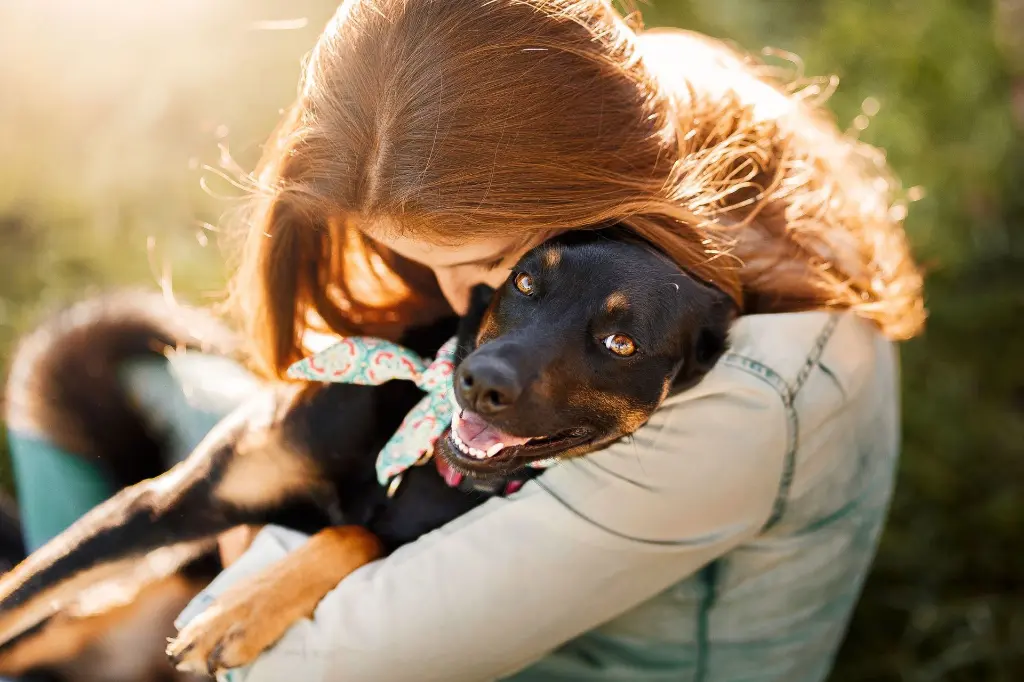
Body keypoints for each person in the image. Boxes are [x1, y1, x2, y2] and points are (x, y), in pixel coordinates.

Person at [9, 0, 927, 680]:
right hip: (412, 494)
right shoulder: (648, 112)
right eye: (408, 255)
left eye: (490, 260)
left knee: (181, 564)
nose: (462, 303)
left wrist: (252, 516)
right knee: (87, 362)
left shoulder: (719, 402)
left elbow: (300, 666)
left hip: (524, 654)